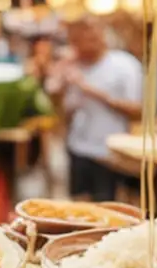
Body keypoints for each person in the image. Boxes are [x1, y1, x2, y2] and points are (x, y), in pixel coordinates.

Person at [56, 16, 143, 201]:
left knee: (108, 212)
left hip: (111, 154)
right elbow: (62, 112)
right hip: (78, 148)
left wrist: (92, 91)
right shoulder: (72, 66)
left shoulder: (125, 65)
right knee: (78, 208)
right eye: (75, 41)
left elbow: (137, 110)